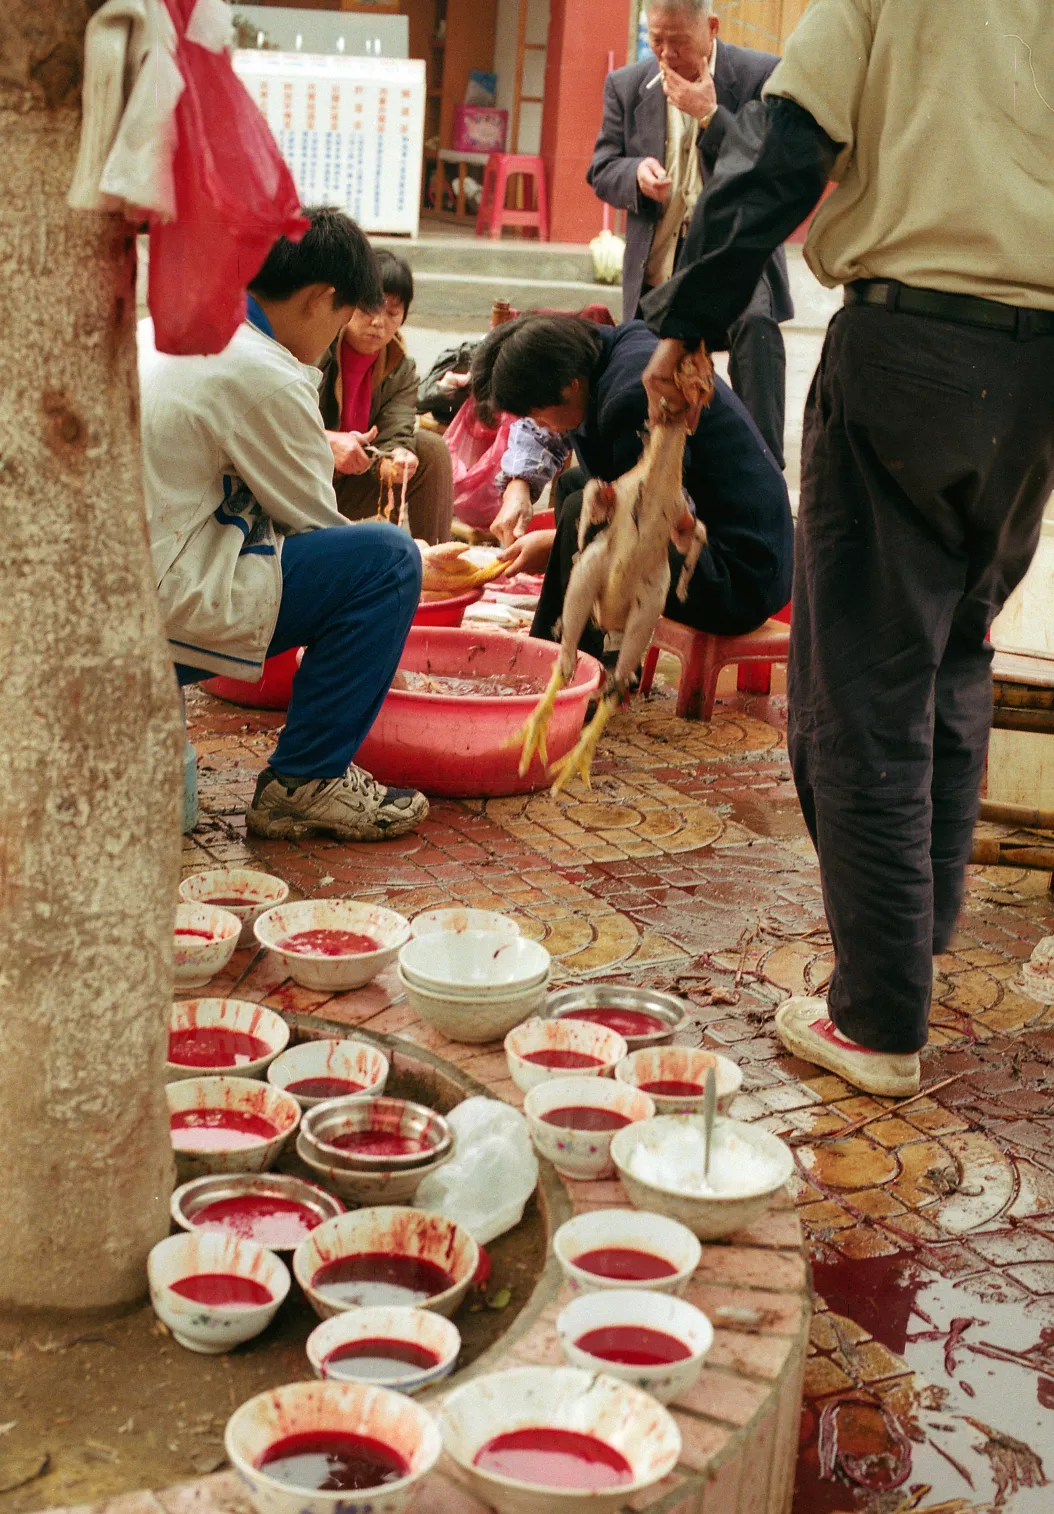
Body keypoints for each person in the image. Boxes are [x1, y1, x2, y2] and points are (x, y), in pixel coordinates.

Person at [640, 0, 1054, 1098]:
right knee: (954, 653)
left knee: (863, 690)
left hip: (909, 346)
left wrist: (686, 322)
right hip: (1037, 374)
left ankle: (876, 1017)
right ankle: (912, 940)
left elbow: (786, 157)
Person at [140, 207, 429, 842]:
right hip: (160, 607)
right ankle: (306, 779)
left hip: (111, 586)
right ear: (323, 299)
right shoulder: (263, 369)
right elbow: (316, 529)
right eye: (345, 315)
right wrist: (379, 646)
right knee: (388, 561)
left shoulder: (168, 324)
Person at [471, 315, 792, 662]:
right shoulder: (598, 350)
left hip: (736, 580)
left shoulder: (631, 399)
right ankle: (582, 648)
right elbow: (548, 434)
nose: (538, 425)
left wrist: (552, 544)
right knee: (573, 485)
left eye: (536, 415)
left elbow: (649, 524)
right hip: (743, 554)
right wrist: (519, 488)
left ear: (570, 387)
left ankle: (580, 671)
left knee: (584, 509)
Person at [587, 0, 792, 466]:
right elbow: (601, 167)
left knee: (755, 326)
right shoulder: (628, 84)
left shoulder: (759, 75)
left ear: (712, 27)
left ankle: (763, 466)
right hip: (662, 256)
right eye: (656, 40)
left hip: (735, 254)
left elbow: (772, 164)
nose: (666, 53)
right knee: (642, 365)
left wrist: (711, 116)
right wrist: (635, 173)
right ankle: (651, 472)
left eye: (678, 40)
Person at [319, 250, 453, 544]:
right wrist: (326, 442)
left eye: (392, 312)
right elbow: (282, 424)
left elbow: (397, 432)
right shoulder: (317, 350)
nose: (379, 323)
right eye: (369, 309)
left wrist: (397, 458)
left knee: (430, 450)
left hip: (352, 482)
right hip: (303, 480)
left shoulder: (401, 368)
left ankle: (436, 563)